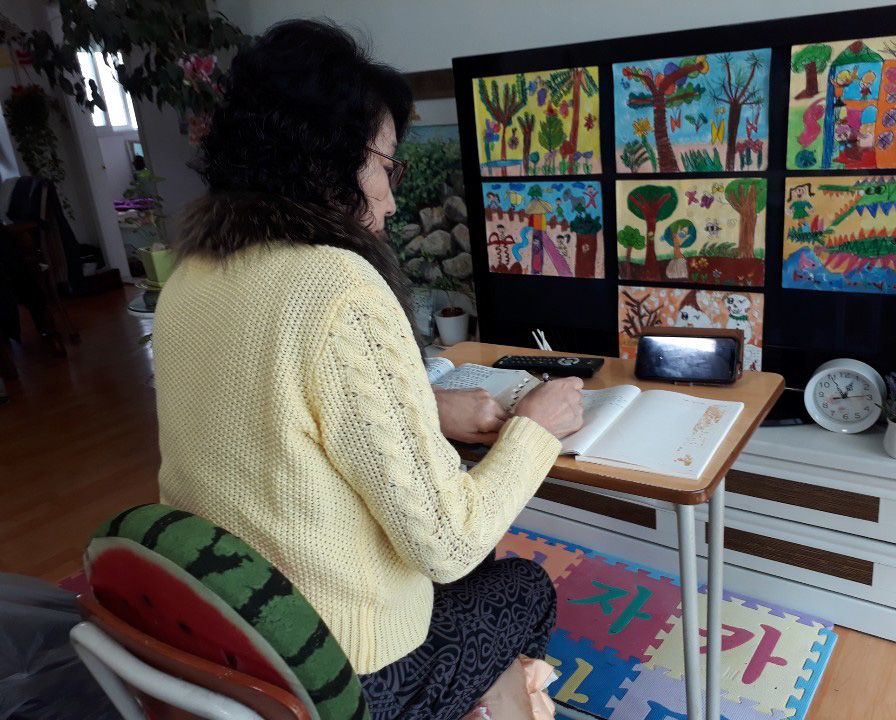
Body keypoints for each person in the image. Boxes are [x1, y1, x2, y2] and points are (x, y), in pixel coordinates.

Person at [151, 19, 584, 720]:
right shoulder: (338, 287)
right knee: (522, 587)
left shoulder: (188, 276)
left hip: (228, 639)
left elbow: (268, 410)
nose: (390, 197)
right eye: (386, 167)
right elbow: (447, 543)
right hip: (343, 676)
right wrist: (535, 427)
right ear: (331, 160)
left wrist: (423, 406)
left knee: (474, 566)